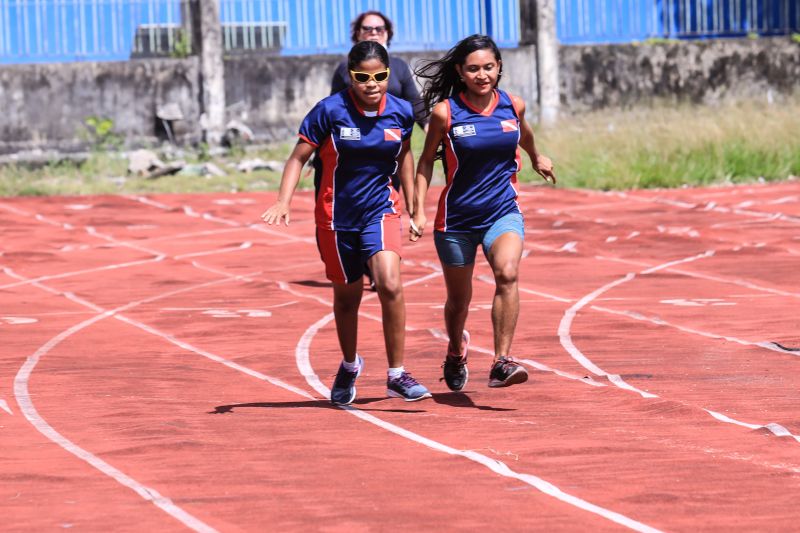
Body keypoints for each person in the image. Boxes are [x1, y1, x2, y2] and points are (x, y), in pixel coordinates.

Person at [262, 41, 431, 405]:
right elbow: (298, 159)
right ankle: (350, 364)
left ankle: (397, 374)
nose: (372, 84)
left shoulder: (400, 112)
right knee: (347, 298)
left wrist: (416, 208)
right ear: (350, 77)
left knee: (390, 284)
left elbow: (405, 157)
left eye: (380, 76)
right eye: (363, 77)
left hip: (381, 210)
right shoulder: (329, 111)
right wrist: (283, 200)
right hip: (336, 218)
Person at [411, 34, 556, 392]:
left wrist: (537, 157)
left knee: (507, 273)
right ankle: (456, 351)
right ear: (460, 72)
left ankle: (501, 361)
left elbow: (525, 135)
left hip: (502, 212)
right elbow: (426, 161)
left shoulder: (513, 105)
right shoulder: (446, 112)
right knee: (459, 301)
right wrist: (418, 210)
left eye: (488, 67)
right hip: (456, 220)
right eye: (473, 69)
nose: (482, 75)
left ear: (499, 67)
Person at [329, 10, 428, 292]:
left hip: (389, 152)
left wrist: (438, 135)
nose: (374, 32)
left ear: (389, 33)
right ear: (357, 33)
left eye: (380, 29)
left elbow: (417, 106)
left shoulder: (398, 66)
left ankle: (380, 260)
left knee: (384, 206)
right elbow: (330, 112)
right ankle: (363, 262)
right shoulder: (343, 69)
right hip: (354, 153)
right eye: (367, 28)